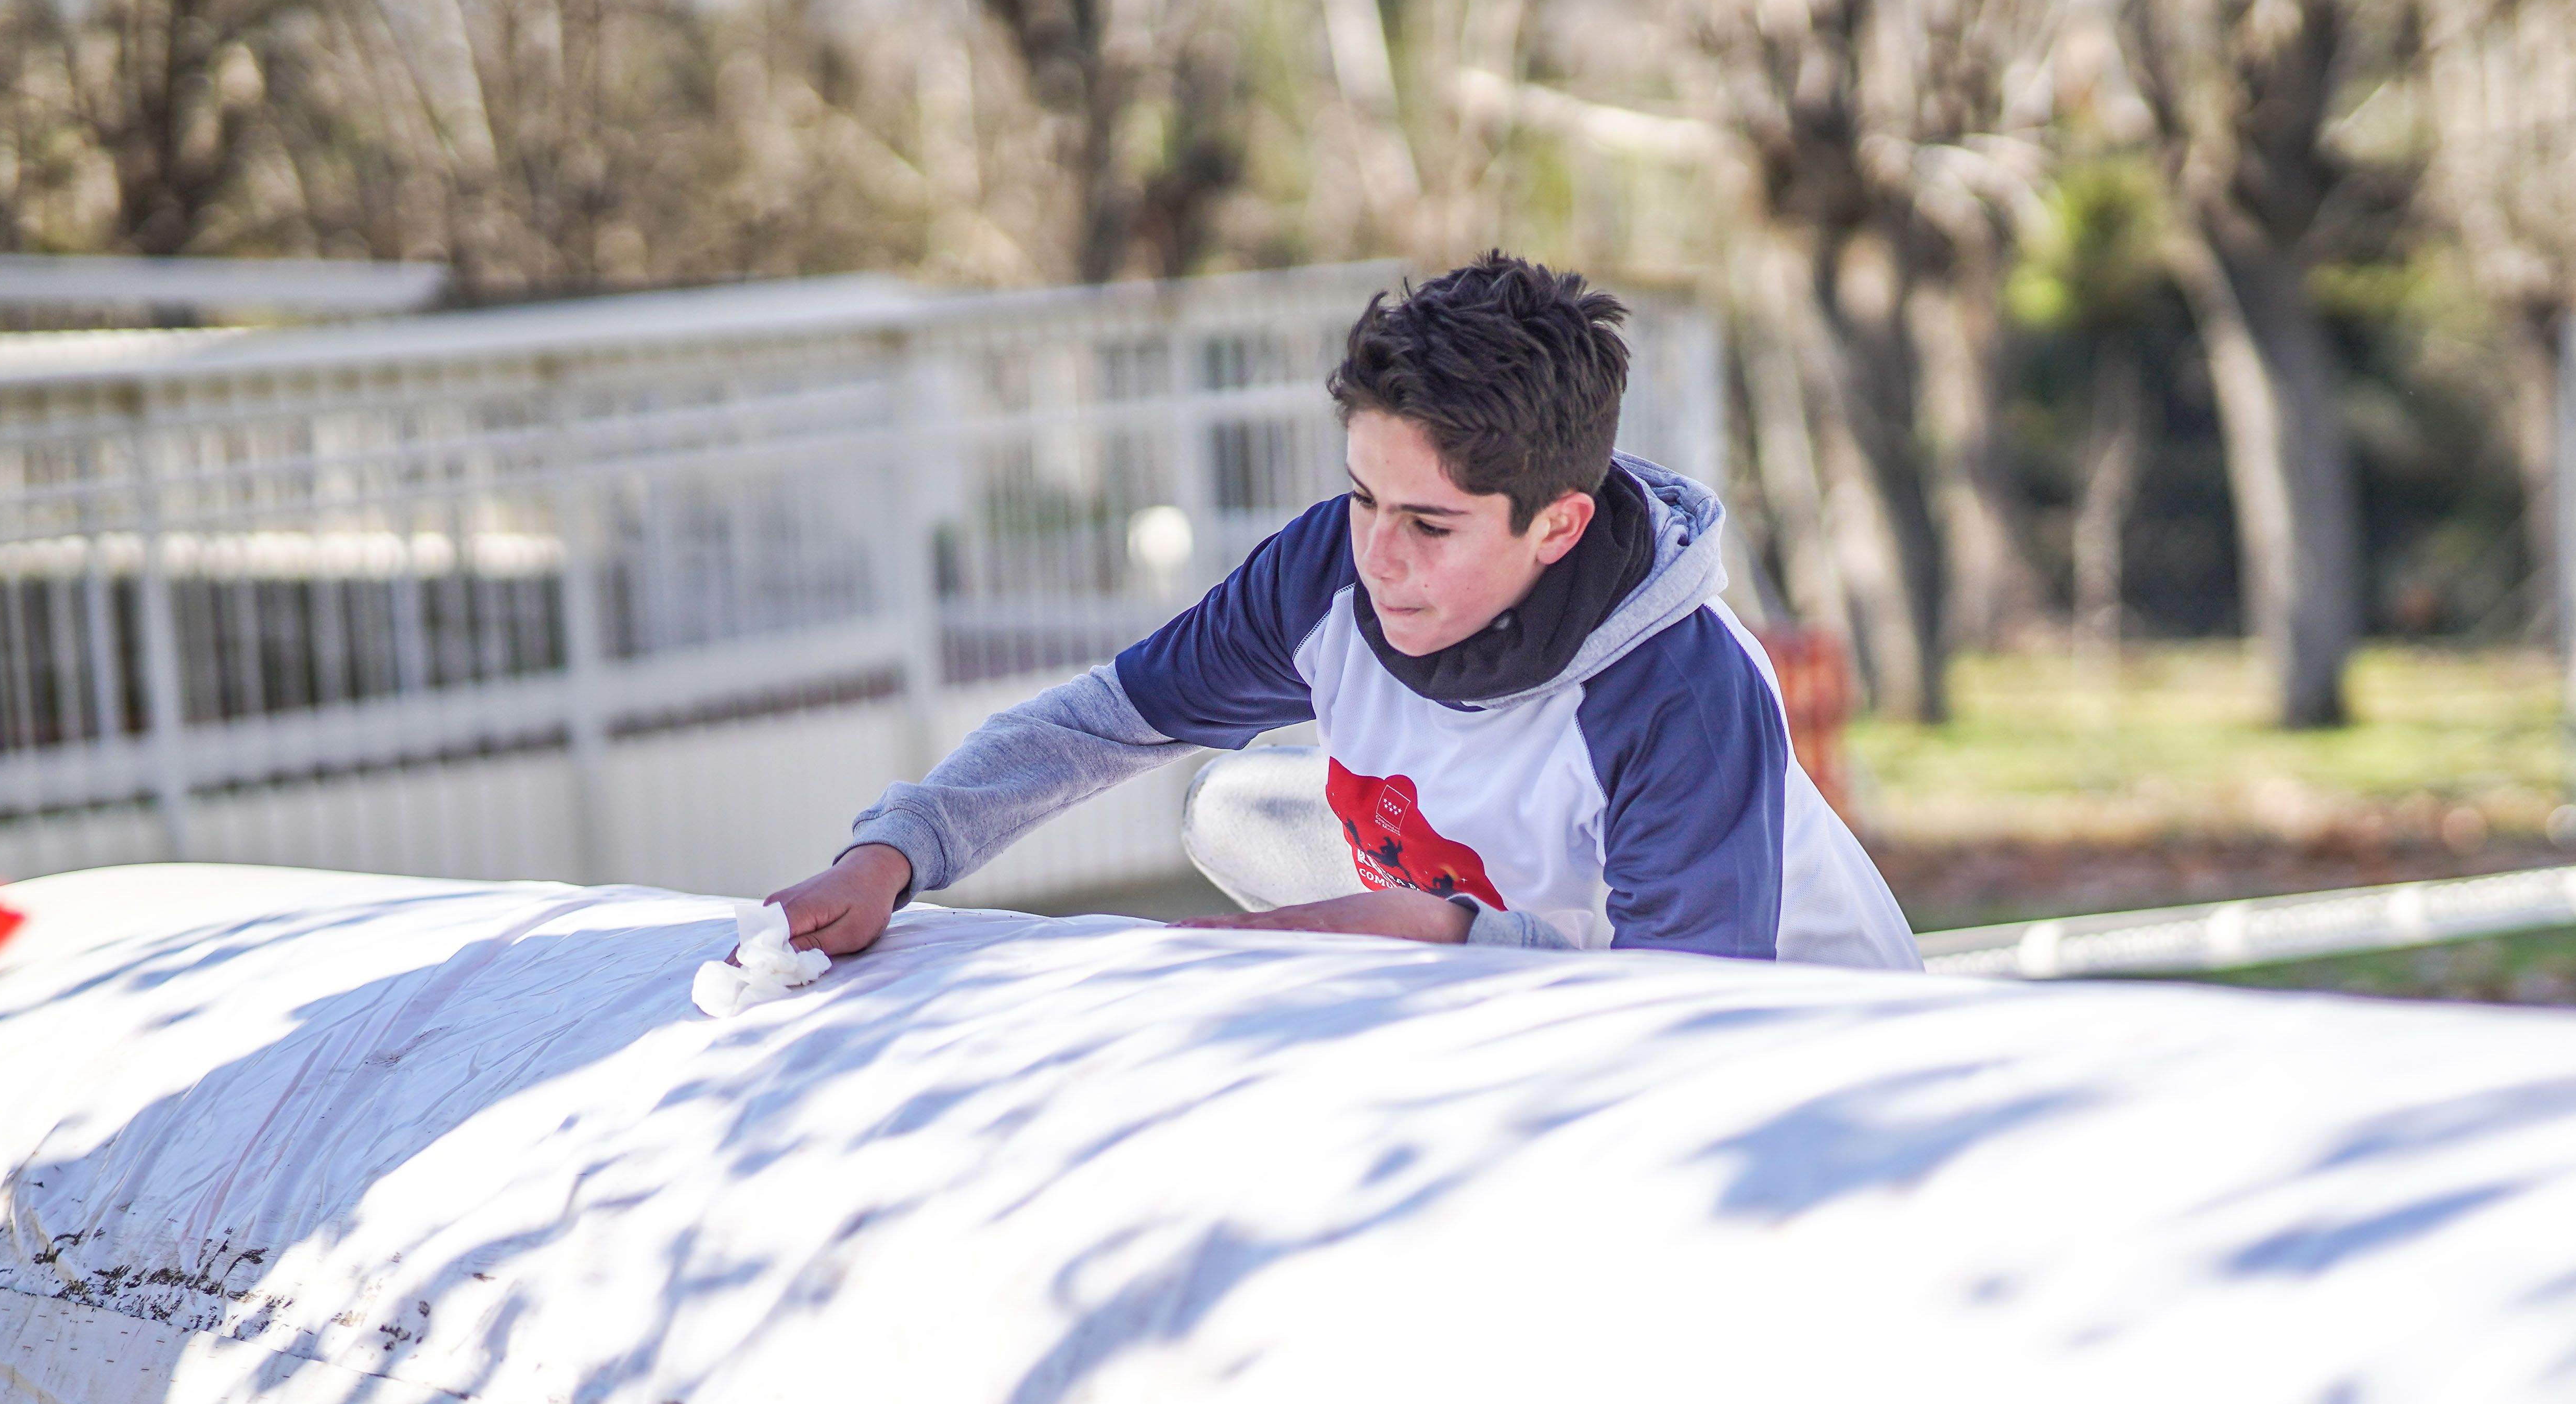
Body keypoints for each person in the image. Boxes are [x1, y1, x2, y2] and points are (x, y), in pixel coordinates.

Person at [767, 253, 1919, 970]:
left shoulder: (1679, 691)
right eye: (1365, 495)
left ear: (1557, 526)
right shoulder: (1328, 568)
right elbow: (1100, 721)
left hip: (1817, 1049)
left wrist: (1453, 936)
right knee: (1231, 804)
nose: (1378, 555)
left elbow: (1683, 1017)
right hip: (1507, 958)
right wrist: (894, 851)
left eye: (1430, 524)